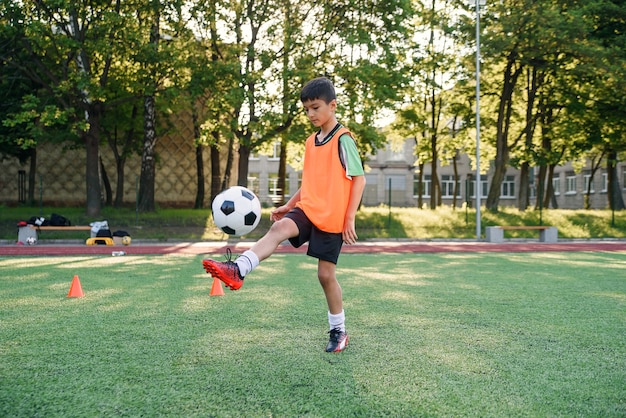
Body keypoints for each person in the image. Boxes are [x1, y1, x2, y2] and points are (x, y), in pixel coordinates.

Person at [202, 77, 366, 353]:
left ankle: (338, 330)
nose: (311, 114)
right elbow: (310, 182)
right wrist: (290, 205)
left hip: (333, 217)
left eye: (315, 108)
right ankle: (238, 269)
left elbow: (358, 179)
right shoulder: (311, 142)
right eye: (307, 110)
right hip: (308, 208)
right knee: (277, 230)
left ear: (332, 105)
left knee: (325, 276)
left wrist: (350, 218)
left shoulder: (343, 139)